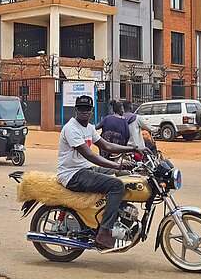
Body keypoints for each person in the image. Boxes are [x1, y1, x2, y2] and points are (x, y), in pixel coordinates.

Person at [58, 95, 142, 249]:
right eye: (81, 109)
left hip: (85, 169)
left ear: (91, 111)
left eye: (87, 109)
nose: (84, 112)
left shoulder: (89, 128)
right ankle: (104, 231)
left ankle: (118, 218)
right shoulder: (71, 128)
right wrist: (117, 165)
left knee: (126, 177)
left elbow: (107, 146)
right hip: (71, 175)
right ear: (76, 110)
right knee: (116, 185)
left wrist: (134, 148)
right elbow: (90, 155)